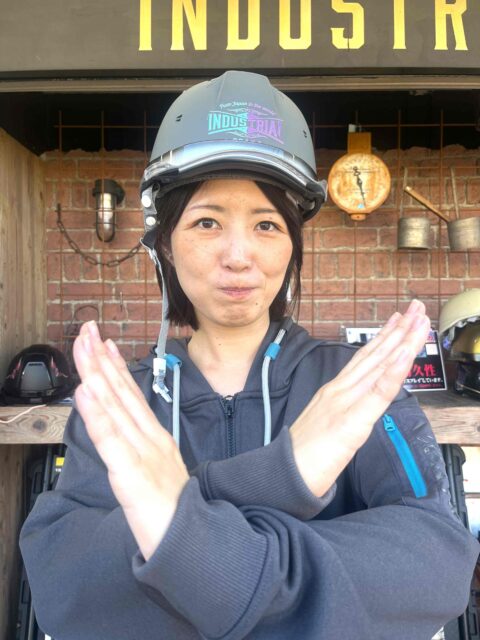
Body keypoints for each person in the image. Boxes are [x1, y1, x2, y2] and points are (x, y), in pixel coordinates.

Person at [20, 70, 479, 640]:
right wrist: (277, 478)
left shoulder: (353, 387)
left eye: (266, 224)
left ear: (292, 247)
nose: (238, 256)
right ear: (166, 245)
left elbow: (436, 563)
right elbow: (67, 588)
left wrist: (183, 528)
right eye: (207, 222)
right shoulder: (124, 403)